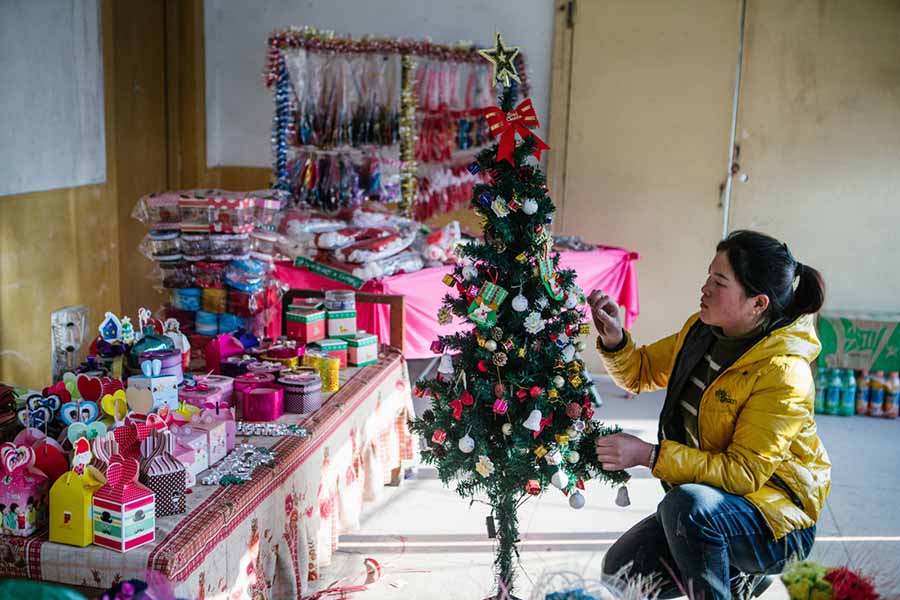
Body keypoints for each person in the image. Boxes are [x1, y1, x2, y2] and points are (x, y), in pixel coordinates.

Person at [588, 230, 831, 600]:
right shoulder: (702, 332)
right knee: (623, 571)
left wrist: (650, 456)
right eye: (708, 276)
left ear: (758, 303)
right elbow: (639, 372)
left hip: (777, 525)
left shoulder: (784, 372)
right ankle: (738, 578)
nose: (704, 288)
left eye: (719, 282)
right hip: (708, 507)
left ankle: (745, 573)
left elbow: (744, 473)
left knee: (687, 508)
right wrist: (615, 338)